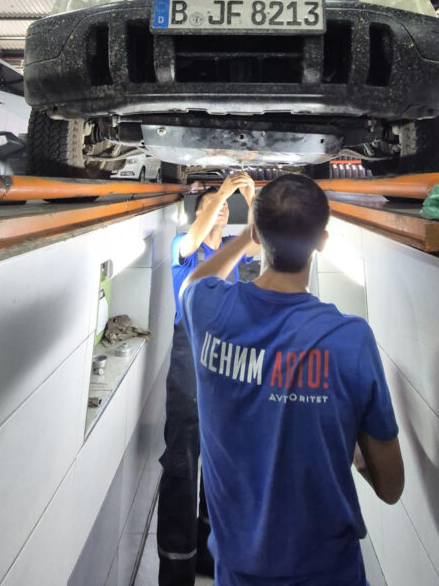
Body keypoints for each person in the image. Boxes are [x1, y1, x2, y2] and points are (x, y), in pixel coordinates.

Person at [179, 174, 404, 586]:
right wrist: (352, 448)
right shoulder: (349, 340)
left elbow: (194, 281)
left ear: (257, 233)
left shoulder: (207, 311)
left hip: (236, 572)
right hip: (329, 575)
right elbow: (391, 486)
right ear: (323, 240)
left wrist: (248, 238)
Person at [158, 171, 259, 586]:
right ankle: (177, 564)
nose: (217, 211)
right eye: (208, 208)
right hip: (190, 356)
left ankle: (207, 553)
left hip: (227, 361)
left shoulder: (238, 260)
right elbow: (195, 236)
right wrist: (221, 192)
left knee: (222, 460)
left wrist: (252, 201)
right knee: (183, 460)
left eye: (220, 209)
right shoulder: (185, 250)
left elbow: (262, 239)